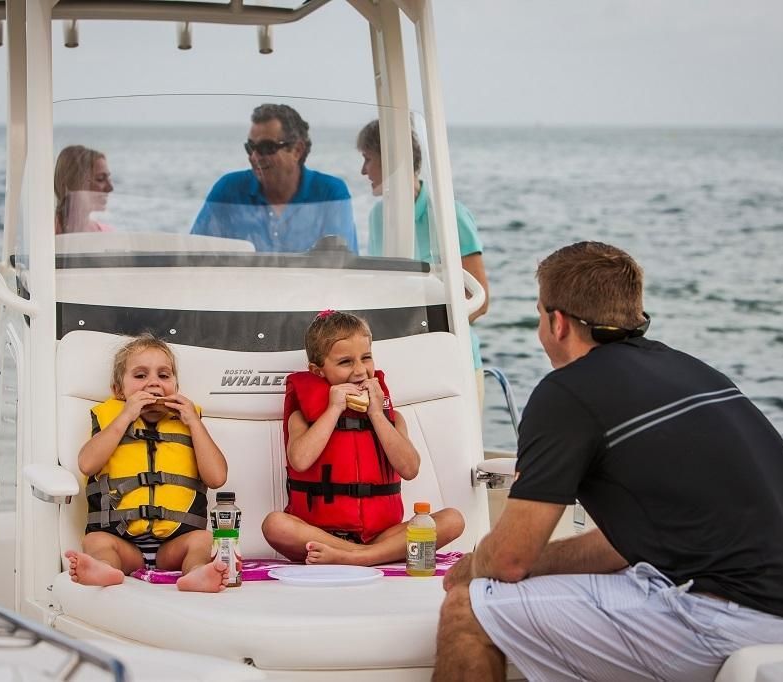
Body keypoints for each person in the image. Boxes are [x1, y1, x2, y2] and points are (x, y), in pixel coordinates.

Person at [433, 242, 783, 681]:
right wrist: (525, 568)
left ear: (558, 323)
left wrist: (470, 571)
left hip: (723, 619)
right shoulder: (689, 368)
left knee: (468, 610)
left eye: (539, 315)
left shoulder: (566, 392)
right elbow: (614, 549)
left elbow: (509, 559)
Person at [262, 310, 464, 566]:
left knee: (453, 519)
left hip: (381, 536)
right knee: (276, 525)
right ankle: (368, 556)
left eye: (366, 358)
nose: (360, 371)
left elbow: (410, 469)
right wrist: (333, 409)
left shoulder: (392, 419)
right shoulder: (302, 418)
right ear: (318, 370)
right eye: (345, 362)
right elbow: (300, 461)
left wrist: (377, 414)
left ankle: (358, 557)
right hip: (320, 536)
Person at [64, 333, 231, 592]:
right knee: (96, 541)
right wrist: (126, 415)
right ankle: (105, 569)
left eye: (164, 376)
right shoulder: (112, 419)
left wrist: (194, 423)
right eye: (140, 376)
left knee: (202, 539)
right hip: (121, 541)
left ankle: (198, 573)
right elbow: (87, 464)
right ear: (119, 390)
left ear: (175, 386)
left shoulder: (190, 423)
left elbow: (217, 478)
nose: (153, 383)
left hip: (173, 546)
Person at [356, 120, 489, 403]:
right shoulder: (377, 216)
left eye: (368, 159)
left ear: (392, 160)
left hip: (451, 362)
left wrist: (425, 331)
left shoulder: (450, 215)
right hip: (397, 362)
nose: (363, 170)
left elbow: (479, 301)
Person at [190, 104, 357, 253]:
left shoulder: (330, 193)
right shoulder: (228, 189)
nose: (254, 157)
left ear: (297, 150)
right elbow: (194, 254)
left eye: (266, 147)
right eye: (250, 148)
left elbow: (344, 268)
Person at [54, 145, 114, 234]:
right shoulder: (44, 234)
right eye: (100, 179)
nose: (110, 188)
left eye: (108, 179)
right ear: (70, 185)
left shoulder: (106, 233)